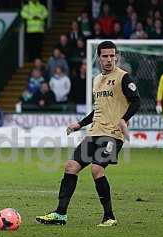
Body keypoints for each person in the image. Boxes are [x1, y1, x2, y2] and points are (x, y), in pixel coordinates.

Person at [36, 41, 140, 226]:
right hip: (94, 133)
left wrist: (124, 119)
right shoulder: (96, 80)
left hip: (112, 135)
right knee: (70, 167)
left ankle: (109, 217)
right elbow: (98, 109)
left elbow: (136, 101)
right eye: (105, 56)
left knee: (96, 169)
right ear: (98, 58)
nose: (109, 59)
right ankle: (60, 214)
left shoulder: (123, 78)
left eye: (112, 55)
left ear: (116, 56)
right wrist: (80, 124)